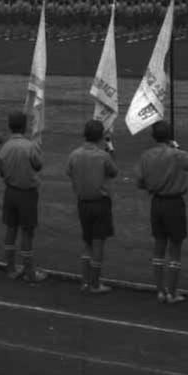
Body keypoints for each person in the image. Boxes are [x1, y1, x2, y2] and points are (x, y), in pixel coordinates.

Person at [135, 120, 188, 304]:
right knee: (175, 249)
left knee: (159, 246)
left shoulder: (146, 156)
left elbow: (140, 182)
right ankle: (172, 292)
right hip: (174, 204)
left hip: (157, 203)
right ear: (170, 136)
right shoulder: (177, 154)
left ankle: (160, 291)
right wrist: (178, 149)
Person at [64, 118, 118, 294]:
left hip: (83, 204)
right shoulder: (103, 156)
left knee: (87, 243)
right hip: (100, 204)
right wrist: (110, 148)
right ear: (100, 137)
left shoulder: (74, 154)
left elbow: (69, 172)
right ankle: (95, 284)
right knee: (98, 243)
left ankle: (85, 281)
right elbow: (114, 171)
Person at [0, 110, 47, 283]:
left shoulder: (5, 147)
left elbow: (1, 171)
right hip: (27, 193)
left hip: (10, 192)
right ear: (25, 126)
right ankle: (29, 272)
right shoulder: (30, 146)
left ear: (10, 126)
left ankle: (11, 269)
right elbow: (38, 166)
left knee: (11, 229)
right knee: (27, 232)